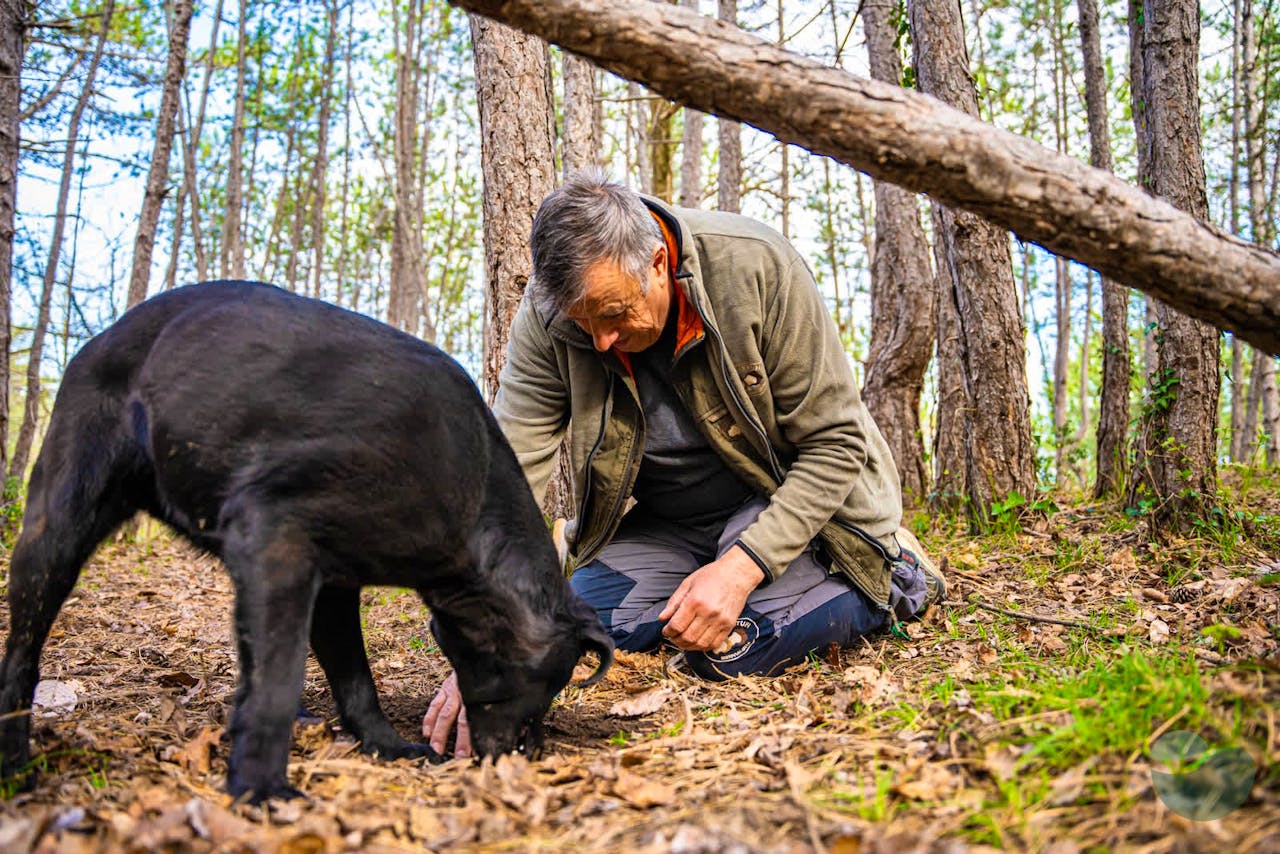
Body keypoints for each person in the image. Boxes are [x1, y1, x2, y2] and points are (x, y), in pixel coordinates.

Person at [422, 170, 943, 757]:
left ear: (657, 262)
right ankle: (685, 577)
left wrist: (739, 570)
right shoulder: (550, 313)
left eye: (614, 312)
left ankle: (895, 571)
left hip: (787, 501)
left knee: (733, 650)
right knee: (579, 633)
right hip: (672, 524)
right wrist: (486, 635)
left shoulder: (755, 266)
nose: (600, 339)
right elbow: (508, 471)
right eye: (582, 320)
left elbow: (836, 444)